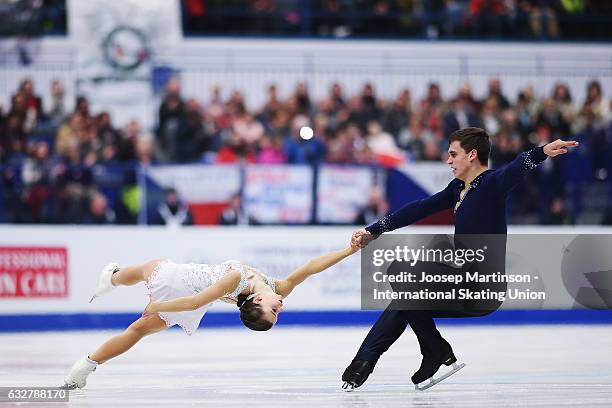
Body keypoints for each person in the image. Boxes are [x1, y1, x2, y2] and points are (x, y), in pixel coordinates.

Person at [341, 127, 578, 390]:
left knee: (403, 276)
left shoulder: (492, 184)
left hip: (481, 288)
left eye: (453, 154)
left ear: (472, 155)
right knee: (404, 294)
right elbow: (418, 208)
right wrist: (374, 230)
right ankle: (368, 363)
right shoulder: (458, 189)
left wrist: (542, 151)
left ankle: (435, 350)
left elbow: (517, 167)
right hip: (459, 282)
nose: (448, 160)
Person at [60, 244, 359, 389]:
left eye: (275, 311)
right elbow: (311, 266)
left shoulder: (236, 280)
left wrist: (155, 307)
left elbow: (193, 302)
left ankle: (112, 279)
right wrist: (350, 250)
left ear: (256, 301)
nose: (281, 306)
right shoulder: (277, 288)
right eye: (277, 311)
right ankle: (84, 368)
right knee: (137, 331)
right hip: (189, 294)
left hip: (183, 283)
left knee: (148, 268)